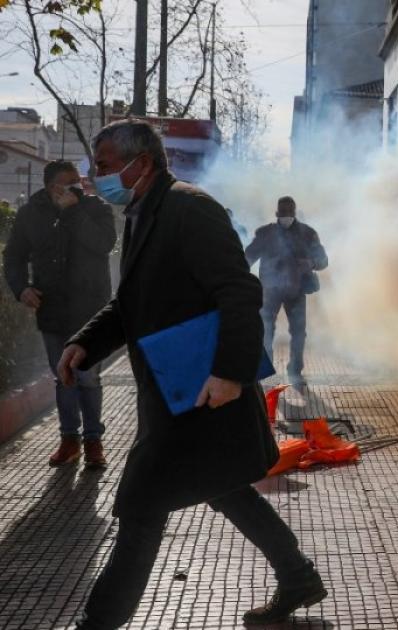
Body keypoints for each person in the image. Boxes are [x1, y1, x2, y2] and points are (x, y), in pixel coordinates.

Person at [59, 119, 323, 628]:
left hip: (204, 391)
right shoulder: (144, 213)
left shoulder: (190, 208)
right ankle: (298, 577)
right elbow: (131, 301)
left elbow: (239, 292)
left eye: (105, 165)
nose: (96, 176)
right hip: (177, 391)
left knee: (140, 506)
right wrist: (85, 342)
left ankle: (98, 622)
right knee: (222, 486)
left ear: (141, 164)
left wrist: (230, 374)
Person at [3, 160, 116, 468]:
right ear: (53, 187)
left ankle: (93, 440)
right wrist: (21, 289)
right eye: (69, 183)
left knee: (88, 377)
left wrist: (73, 212)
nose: (77, 187)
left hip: (90, 310)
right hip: (52, 309)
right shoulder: (31, 213)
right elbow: (13, 257)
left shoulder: (96, 208)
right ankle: (69, 440)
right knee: (62, 375)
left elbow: (104, 244)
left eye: (78, 181)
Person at [245, 196, 328, 389]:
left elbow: (323, 260)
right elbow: (247, 257)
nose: (286, 216)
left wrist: (311, 263)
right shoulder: (266, 234)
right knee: (265, 332)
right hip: (270, 292)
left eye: (290, 212)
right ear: (277, 213)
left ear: (295, 212)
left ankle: (295, 372)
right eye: (283, 212)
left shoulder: (308, 234)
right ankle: (264, 372)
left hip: (296, 291)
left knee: (299, 333)